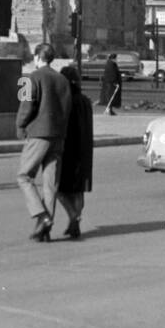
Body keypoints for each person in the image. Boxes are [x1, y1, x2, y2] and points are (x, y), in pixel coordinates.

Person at [15, 43, 71, 242]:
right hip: (58, 136)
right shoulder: (63, 80)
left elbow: (25, 106)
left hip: (38, 133)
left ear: (38, 57)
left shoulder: (31, 78)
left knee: (24, 176)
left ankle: (42, 215)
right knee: (50, 183)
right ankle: (45, 229)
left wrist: (20, 125)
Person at [57, 65, 94, 240]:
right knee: (79, 189)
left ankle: (73, 216)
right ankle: (75, 222)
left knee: (60, 189)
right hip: (85, 150)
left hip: (68, 149)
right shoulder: (86, 101)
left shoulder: (65, 101)